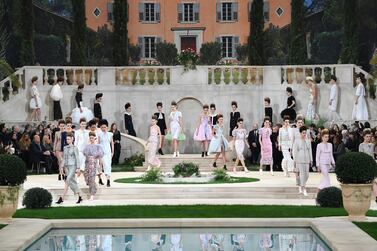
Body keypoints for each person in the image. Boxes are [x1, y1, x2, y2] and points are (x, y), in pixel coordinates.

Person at [56, 133, 83, 204]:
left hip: (73, 166)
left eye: (69, 139)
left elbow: (77, 158)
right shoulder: (65, 148)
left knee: (67, 180)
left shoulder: (75, 148)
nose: (67, 140)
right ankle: (80, 196)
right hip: (66, 167)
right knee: (72, 182)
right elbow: (64, 158)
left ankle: (62, 198)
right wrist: (61, 167)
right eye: (67, 139)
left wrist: (78, 168)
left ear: (72, 139)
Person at [83, 132, 104, 200]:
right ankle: (94, 186)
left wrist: (100, 166)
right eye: (90, 138)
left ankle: (92, 194)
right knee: (86, 177)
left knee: (92, 178)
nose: (91, 139)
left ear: (95, 138)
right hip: (87, 163)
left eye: (92, 138)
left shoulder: (98, 146)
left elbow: (100, 156)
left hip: (94, 164)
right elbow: (84, 153)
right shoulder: (87, 146)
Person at [292, 126, 313, 196]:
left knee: (307, 175)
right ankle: (303, 188)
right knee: (302, 174)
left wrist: (311, 159)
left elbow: (310, 150)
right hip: (299, 159)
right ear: (300, 133)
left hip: (307, 159)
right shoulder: (297, 141)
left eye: (305, 133)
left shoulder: (308, 140)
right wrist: (295, 160)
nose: (304, 134)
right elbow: (294, 152)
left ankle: (300, 184)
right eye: (303, 133)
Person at [98, 119, 114, 187]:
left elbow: (112, 143)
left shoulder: (110, 134)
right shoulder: (99, 134)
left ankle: (108, 180)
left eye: (104, 127)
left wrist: (112, 152)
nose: (103, 129)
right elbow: (98, 144)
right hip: (102, 152)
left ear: (107, 127)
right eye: (102, 127)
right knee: (104, 165)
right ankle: (104, 178)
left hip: (108, 152)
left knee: (108, 165)